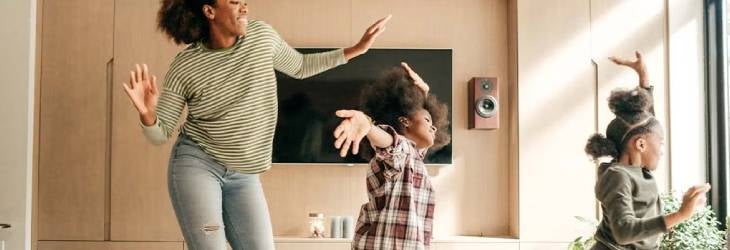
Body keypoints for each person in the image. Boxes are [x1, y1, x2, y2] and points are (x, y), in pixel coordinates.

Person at [121, 0, 391, 249]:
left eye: (245, 2)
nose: (244, 8)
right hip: (198, 166)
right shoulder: (186, 65)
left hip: (244, 175)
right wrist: (147, 113)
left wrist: (357, 49)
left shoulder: (261, 37)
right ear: (209, 11)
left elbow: (300, 65)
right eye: (234, 2)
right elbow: (159, 134)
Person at [584, 51, 711, 250]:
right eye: (660, 143)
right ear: (641, 145)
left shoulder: (637, 169)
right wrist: (680, 215)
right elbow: (623, 232)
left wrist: (643, 75)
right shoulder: (617, 176)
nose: (661, 150)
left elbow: (646, 122)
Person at [333, 63, 451, 249]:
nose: (434, 126)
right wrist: (368, 127)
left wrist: (424, 93)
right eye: (428, 120)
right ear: (404, 121)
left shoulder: (414, 157)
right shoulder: (400, 151)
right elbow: (390, 142)